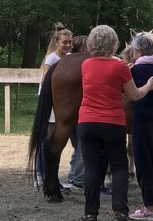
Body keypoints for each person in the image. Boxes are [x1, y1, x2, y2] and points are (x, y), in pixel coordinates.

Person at [78, 25, 153, 221]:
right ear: (114, 43)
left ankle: (90, 213)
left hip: (87, 121)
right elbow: (135, 95)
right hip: (112, 122)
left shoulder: (86, 65)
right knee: (119, 167)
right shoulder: (120, 67)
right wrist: (148, 86)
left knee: (91, 168)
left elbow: (101, 78)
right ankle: (120, 211)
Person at [127, 33, 153, 221]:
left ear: (138, 51)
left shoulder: (135, 70)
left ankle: (149, 208)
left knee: (144, 165)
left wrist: (128, 71)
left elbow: (130, 94)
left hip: (144, 121)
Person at [36, 24, 73, 187]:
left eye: (70, 42)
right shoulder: (51, 59)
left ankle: (51, 175)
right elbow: (45, 82)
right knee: (47, 138)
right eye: (65, 42)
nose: (68, 45)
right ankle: (40, 173)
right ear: (57, 42)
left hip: (62, 101)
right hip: (51, 101)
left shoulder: (70, 57)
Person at [67, 35, 88, 190]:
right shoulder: (83, 65)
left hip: (70, 112)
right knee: (81, 145)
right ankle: (79, 178)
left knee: (77, 146)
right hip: (81, 112)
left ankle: (73, 174)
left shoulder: (68, 63)